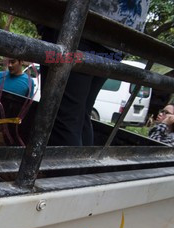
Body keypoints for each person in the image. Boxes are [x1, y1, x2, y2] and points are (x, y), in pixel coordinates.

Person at [38, 0, 151, 146]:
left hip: (83, 19)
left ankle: (64, 168)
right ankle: (79, 167)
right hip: (121, 31)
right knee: (80, 113)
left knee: (61, 114)